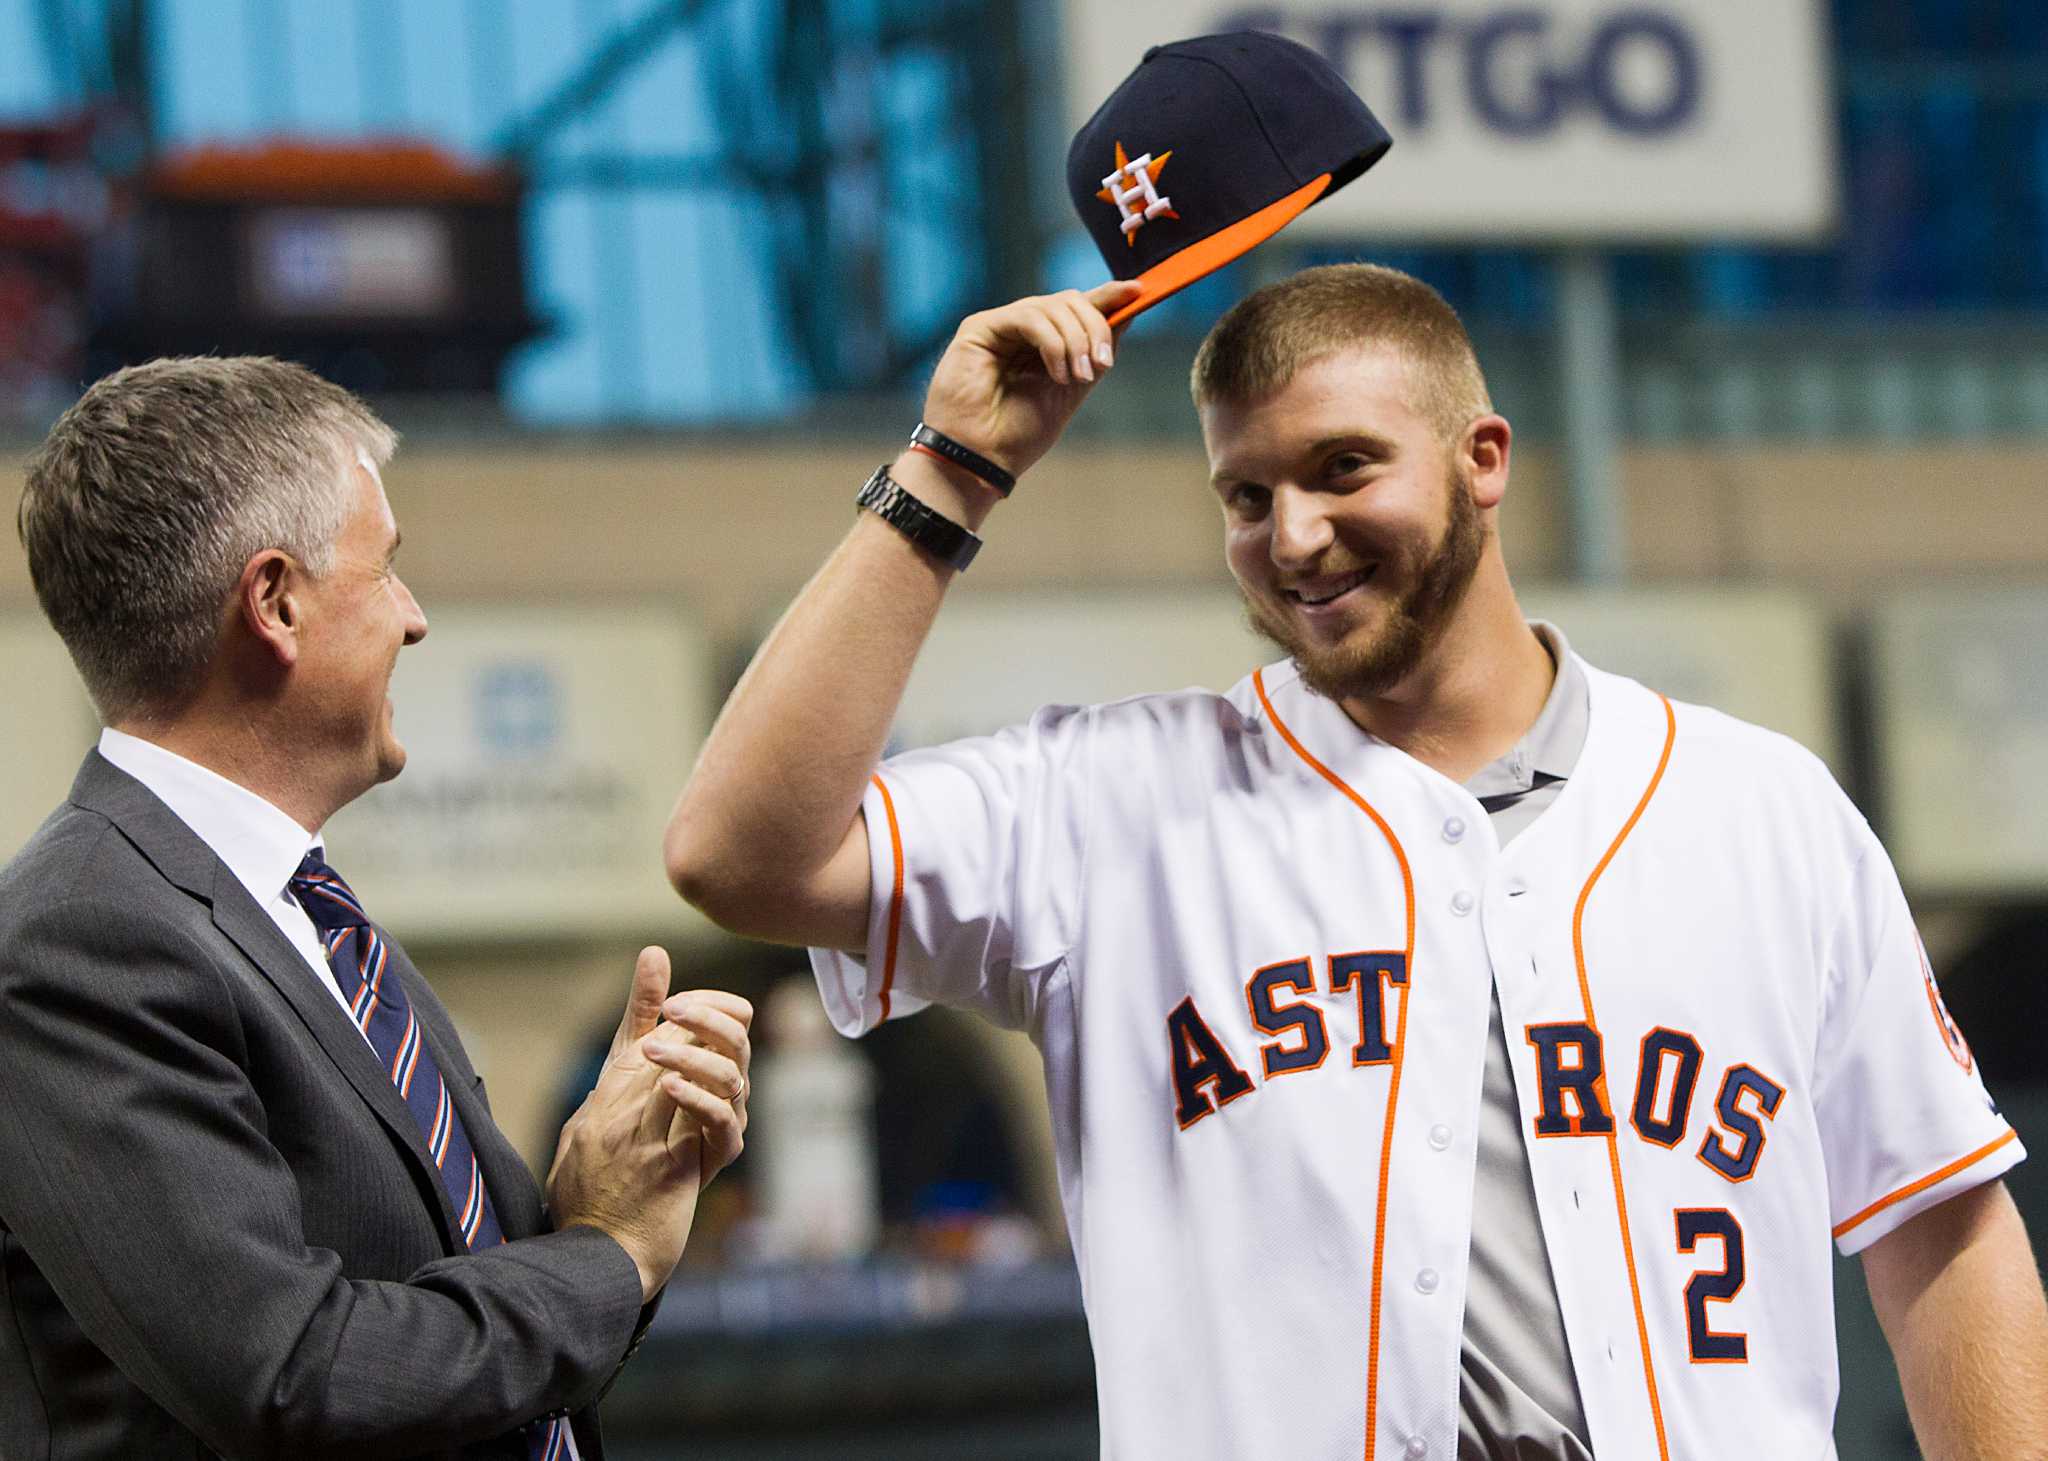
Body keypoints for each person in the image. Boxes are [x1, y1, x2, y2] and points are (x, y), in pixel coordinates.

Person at [664, 264, 2048, 1460]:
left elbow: (1948, 1228)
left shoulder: (1761, 808)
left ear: (1481, 459)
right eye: (1245, 494)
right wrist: (951, 471)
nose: (1295, 537)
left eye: (1342, 468)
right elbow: (737, 854)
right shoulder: (1108, 800)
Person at [1, 356, 752, 1460]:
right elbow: (295, 1379)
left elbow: (428, 1339)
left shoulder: (311, 923)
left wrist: (602, 1188)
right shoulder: (81, 942)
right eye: (388, 568)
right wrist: (605, 1257)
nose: (414, 619)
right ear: (275, 603)